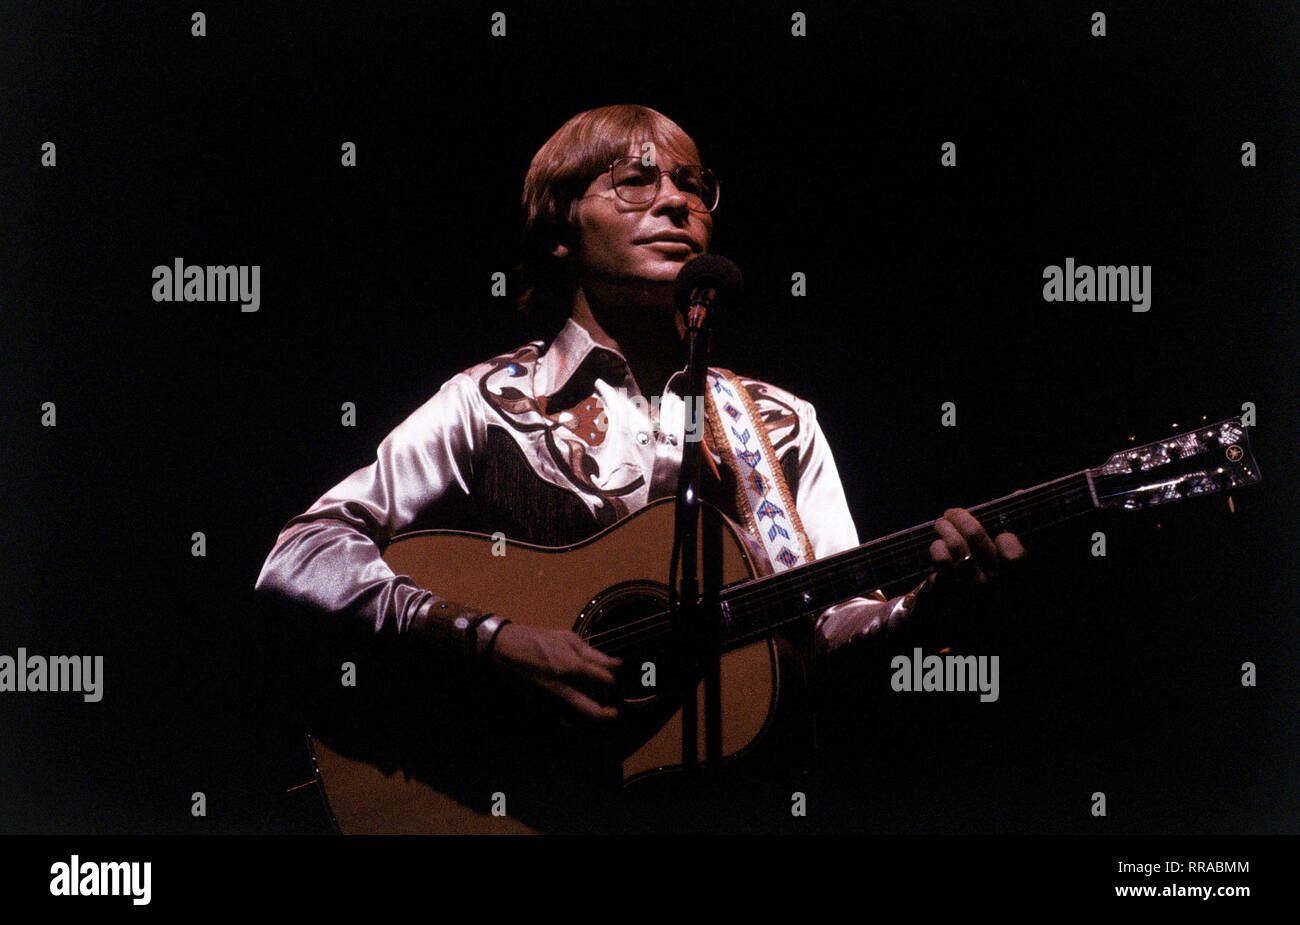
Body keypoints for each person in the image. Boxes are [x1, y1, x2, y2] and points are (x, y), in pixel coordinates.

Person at [254, 103, 1025, 830]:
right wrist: (493, 639)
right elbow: (303, 552)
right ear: (560, 228)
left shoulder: (780, 424)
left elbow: (825, 626)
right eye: (635, 179)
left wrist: (923, 611)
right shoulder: (486, 403)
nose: (676, 202)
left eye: (694, 185)